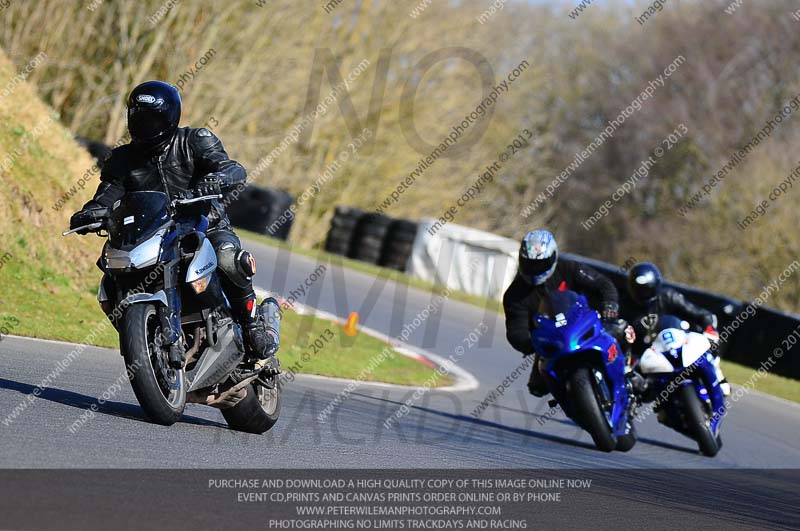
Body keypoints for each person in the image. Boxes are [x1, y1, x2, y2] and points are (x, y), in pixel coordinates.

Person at [69, 80, 272, 367]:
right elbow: (109, 192)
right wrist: (92, 212)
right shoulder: (122, 158)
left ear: (169, 118)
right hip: (153, 234)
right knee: (111, 279)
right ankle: (147, 340)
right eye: (138, 118)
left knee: (227, 259)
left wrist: (216, 179)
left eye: (152, 119)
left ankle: (253, 325)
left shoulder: (195, 140)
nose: (144, 125)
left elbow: (231, 168)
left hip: (205, 226)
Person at [503, 230, 632, 397]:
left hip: (585, 324)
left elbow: (603, 284)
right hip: (551, 341)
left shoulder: (569, 268)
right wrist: (530, 343)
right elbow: (516, 331)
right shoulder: (514, 295)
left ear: (553, 257)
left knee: (623, 330)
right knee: (537, 387)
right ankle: (574, 400)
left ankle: (627, 369)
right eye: (530, 264)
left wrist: (610, 306)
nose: (535, 270)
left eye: (540, 264)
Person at [624, 262, 729, 395]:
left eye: (646, 289)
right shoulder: (628, 311)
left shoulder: (668, 296)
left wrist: (709, 329)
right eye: (638, 291)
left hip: (680, 342)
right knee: (634, 386)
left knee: (710, 344)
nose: (642, 294)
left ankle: (718, 375)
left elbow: (701, 314)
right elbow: (626, 342)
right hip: (653, 357)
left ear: (655, 286)